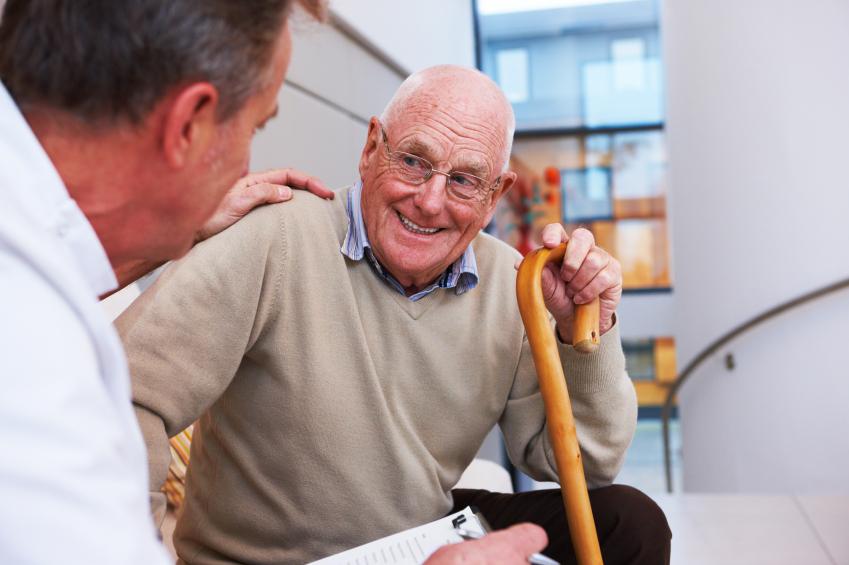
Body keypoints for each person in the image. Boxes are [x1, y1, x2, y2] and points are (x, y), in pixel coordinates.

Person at [0, 1, 546, 563]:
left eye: (462, 180)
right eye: (256, 127)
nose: (244, 172)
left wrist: (174, 234)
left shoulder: (30, 271)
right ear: (189, 124)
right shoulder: (43, 391)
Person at [117, 65, 672, 564]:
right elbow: (124, 392)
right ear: (371, 147)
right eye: (413, 161)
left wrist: (584, 333)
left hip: (412, 540)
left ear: (496, 194)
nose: (430, 201)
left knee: (631, 523)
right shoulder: (276, 236)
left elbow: (589, 463)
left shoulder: (514, 284)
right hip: (268, 558)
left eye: (463, 180)